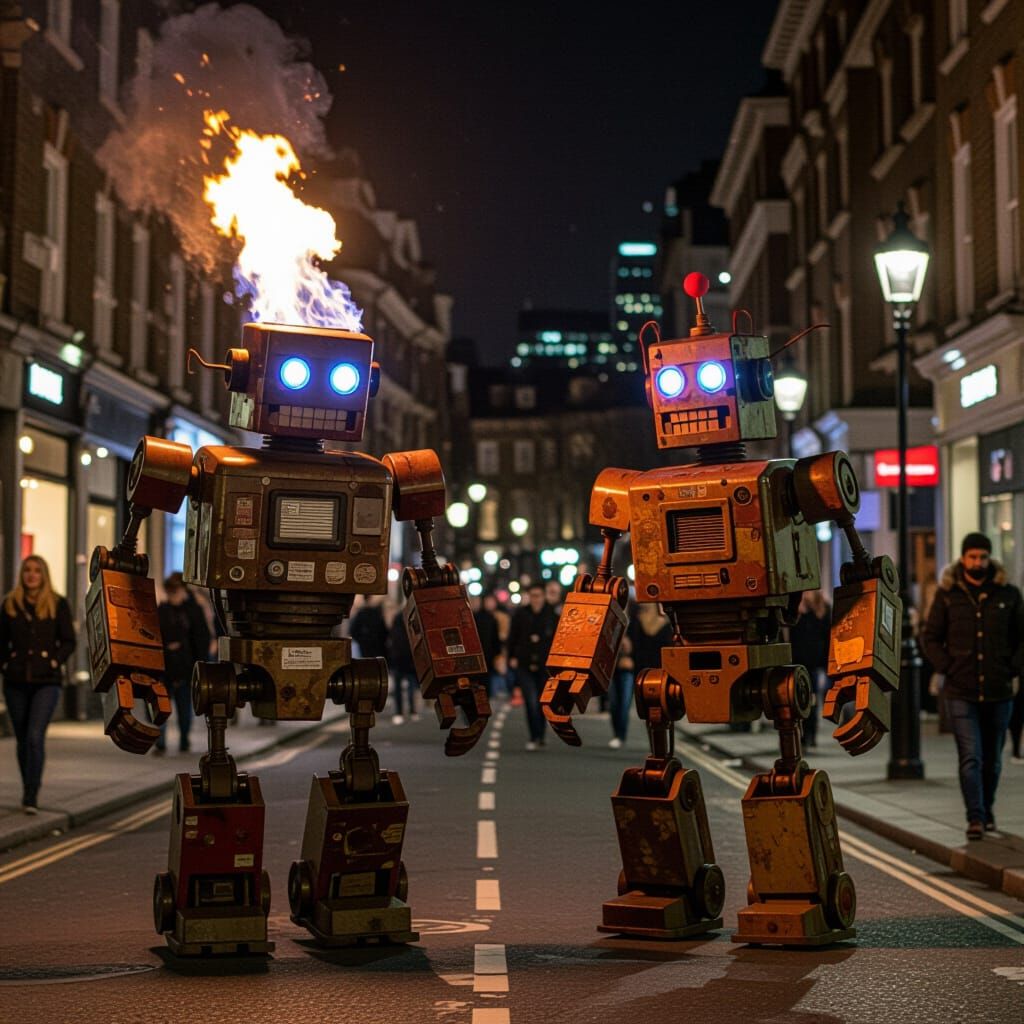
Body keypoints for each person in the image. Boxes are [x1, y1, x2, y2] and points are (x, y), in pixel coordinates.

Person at [922, 532, 1024, 840]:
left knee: (993, 760)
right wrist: (947, 666)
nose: (977, 562)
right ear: (963, 558)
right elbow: (931, 638)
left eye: (982, 557)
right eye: (972, 557)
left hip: (998, 689)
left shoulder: (1008, 593)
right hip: (960, 691)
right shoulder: (948, 594)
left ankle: (987, 808)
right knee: (971, 756)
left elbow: (1021, 638)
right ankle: (975, 818)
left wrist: (1011, 668)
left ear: (989, 558)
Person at [0, 555, 76, 813]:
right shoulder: (10, 604)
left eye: (37, 571)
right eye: (27, 570)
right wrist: (6, 663)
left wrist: (55, 662)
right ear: (22, 574)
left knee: (34, 736)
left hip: (47, 682)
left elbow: (69, 640)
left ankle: (32, 794)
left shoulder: (57, 603)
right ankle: (26, 787)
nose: (31, 575)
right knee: (22, 739)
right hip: (16, 680)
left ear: (44, 575)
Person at [156, 575, 211, 754]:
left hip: (186, 668)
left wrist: (199, 665)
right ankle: (161, 741)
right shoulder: (162, 610)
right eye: (170, 591)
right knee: (161, 707)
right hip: (164, 668)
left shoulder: (193, 610)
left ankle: (184, 739)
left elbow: (202, 639)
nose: (173, 595)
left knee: (184, 707)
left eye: (175, 590)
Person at [610, 602, 672, 749]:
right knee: (645, 712)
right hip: (639, 672)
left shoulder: (666, 625)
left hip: (658, 675)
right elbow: (630, 645)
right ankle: (654, 745)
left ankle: (659, 746)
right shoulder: (637, 622)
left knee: (658, 712)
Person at [507, 581, 558, 750]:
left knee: (543, 701)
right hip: (525, 663)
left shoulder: (552, 615)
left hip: (545, 665)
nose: (535, 599)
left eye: (538, 596)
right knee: (530, 700)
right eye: (533, 596)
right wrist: (512, 656)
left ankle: (541, 734)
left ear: (544, 596)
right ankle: (533, 735)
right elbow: (512, 637)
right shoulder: (521, 614)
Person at [789, 590, 831, 749]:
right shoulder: (797, 612)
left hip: (814, 666)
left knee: (811, 702)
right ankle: (803, 735)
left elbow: (827, 638)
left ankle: (810, 735)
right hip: (798, 664)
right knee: (800, 702)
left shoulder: (822, 612)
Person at [386, 599, 419, 724]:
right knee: (411, 685)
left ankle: (399, 713)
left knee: (400, 687)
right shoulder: (413, 620)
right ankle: (412, 711)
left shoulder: (397, 619)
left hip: (398, 658)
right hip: (409, 658)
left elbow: (392, 638)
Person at [472, 593, 503, 698]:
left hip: (484, 657)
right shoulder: (479, 617)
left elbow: (495, 639)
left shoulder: (490, 618)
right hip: (483, 657)